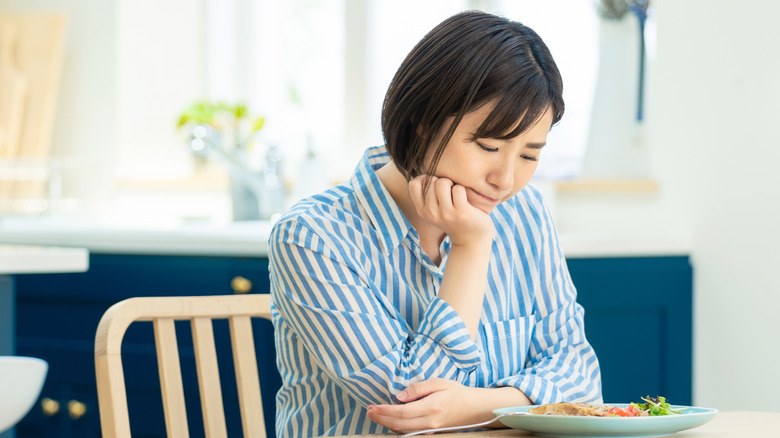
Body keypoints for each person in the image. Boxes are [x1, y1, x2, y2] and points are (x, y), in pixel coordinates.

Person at [269, 10, 602, 437]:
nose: (505, 179)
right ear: (422, 123)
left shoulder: (526, 214)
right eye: (487, 145)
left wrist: (471, 406)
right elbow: (406, 404)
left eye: (529, 155)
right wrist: (470, 248)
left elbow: (582, 383)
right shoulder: (313, 237)